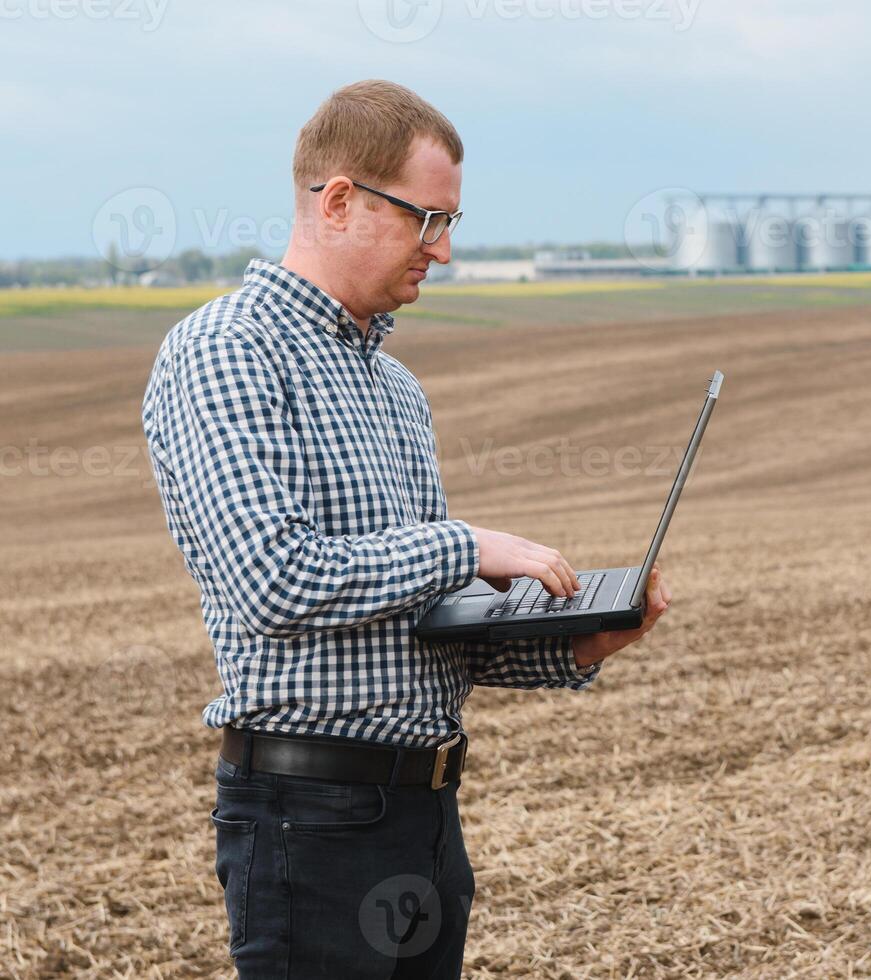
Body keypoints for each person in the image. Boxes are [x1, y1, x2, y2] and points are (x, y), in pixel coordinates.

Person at [139, 79, 671, 979]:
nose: (447, 250)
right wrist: (468, 544)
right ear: (339, 201)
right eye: (429, 220)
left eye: (450, 221)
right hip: (308, 820)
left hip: (423, 819)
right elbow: (276, 581)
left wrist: (582, 643)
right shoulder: (226, 350)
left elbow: (427, 629)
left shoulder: (396, 390)